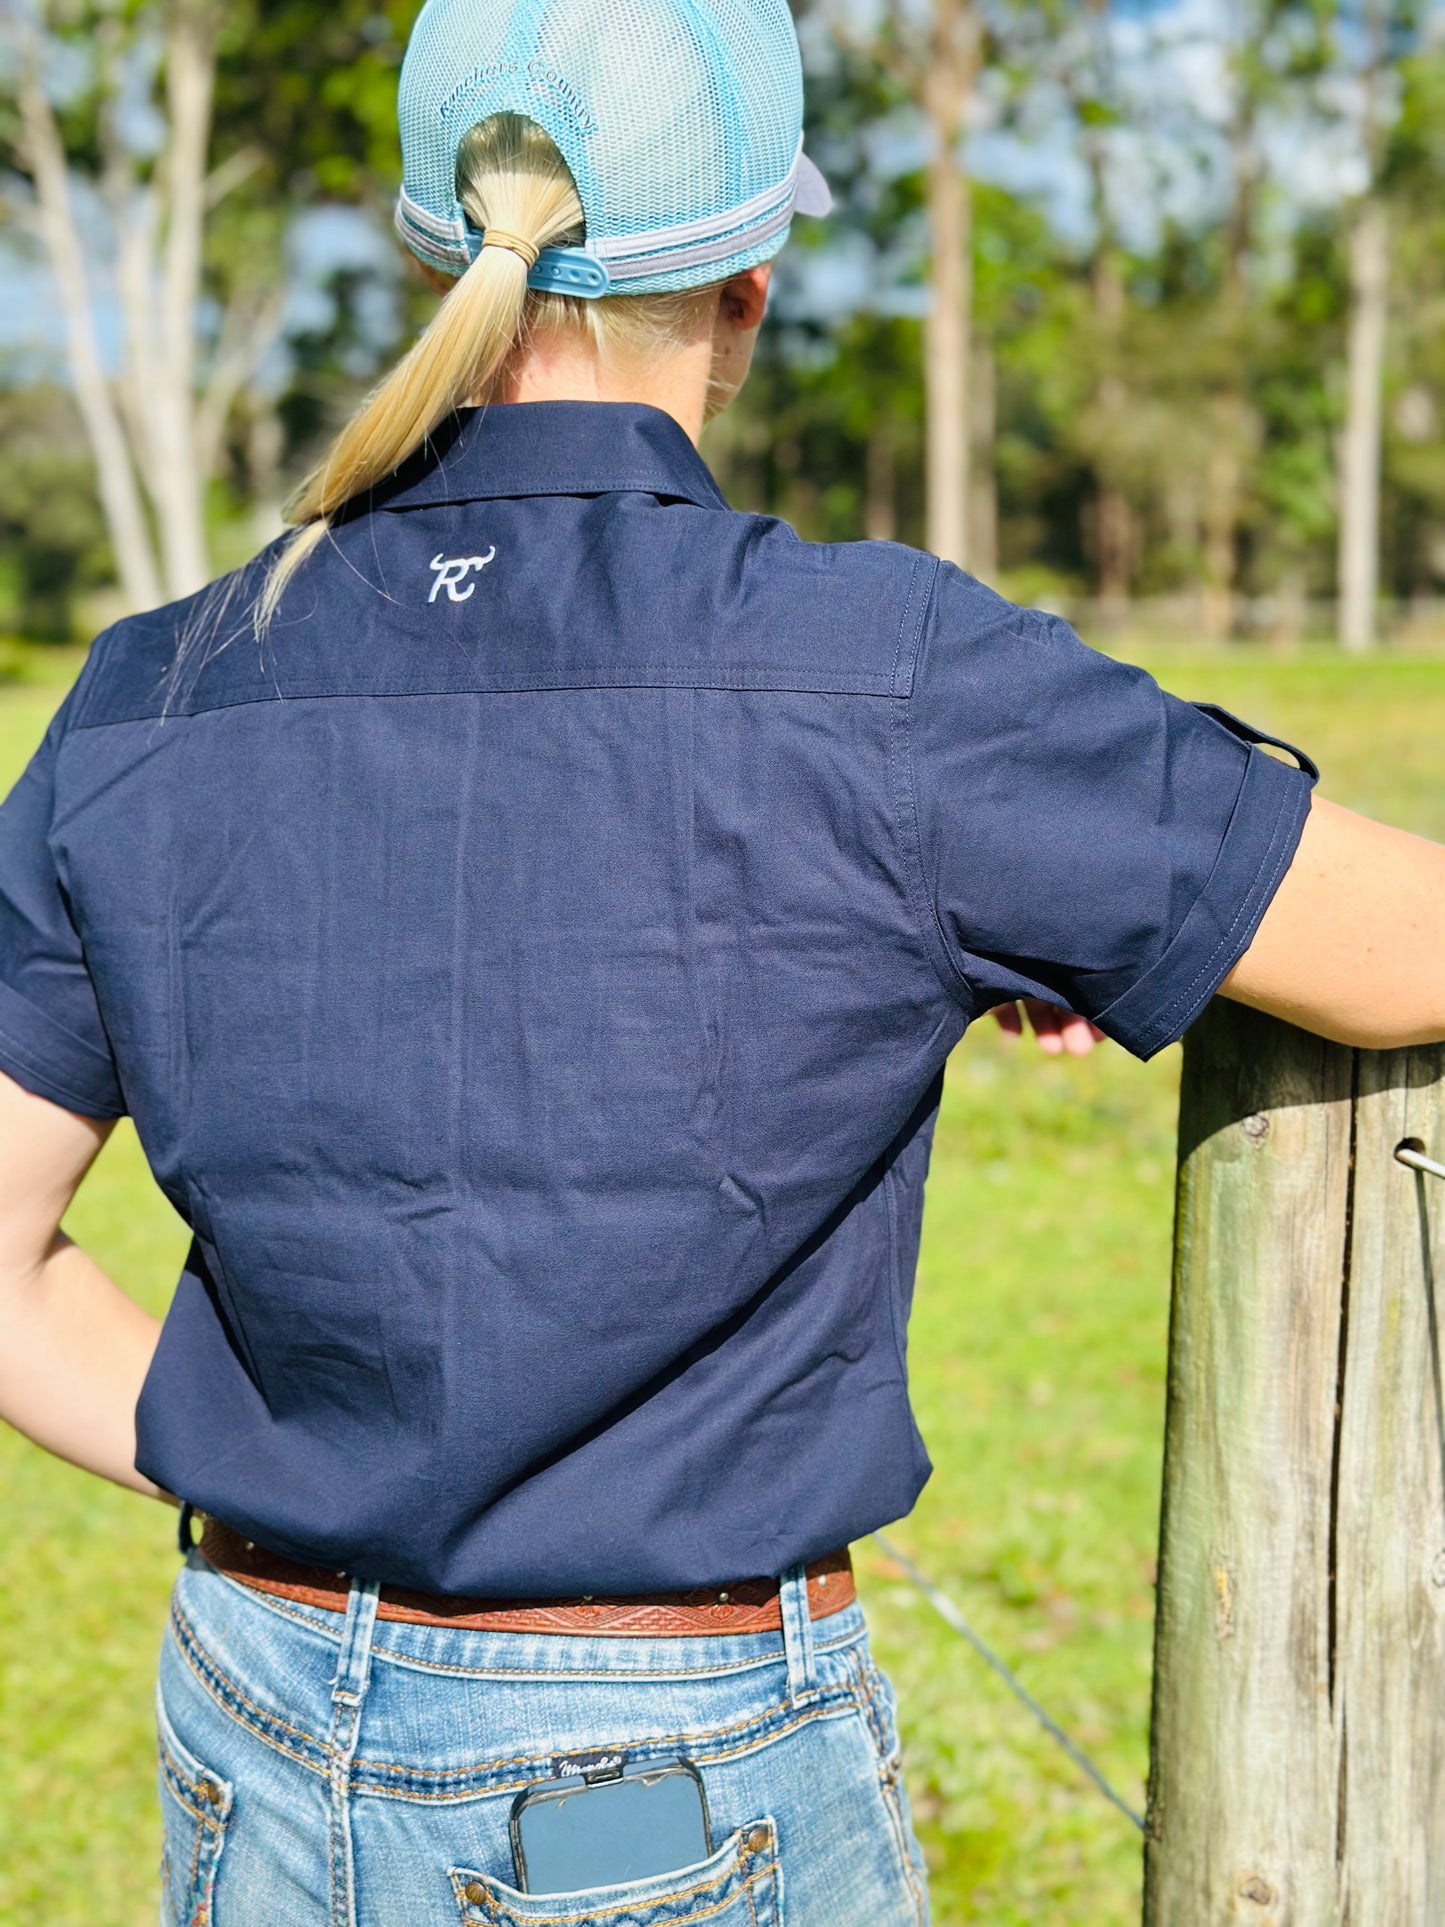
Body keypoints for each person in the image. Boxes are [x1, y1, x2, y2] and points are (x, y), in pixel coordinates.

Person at [1, 0, 1443, 1921]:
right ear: (745, 292)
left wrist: (304, 1481)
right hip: (659, 1781)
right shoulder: (890, 675)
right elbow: (1405, 948)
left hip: (246, 1711)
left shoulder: (150, 687)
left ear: (435, 243)